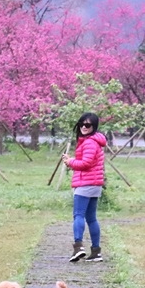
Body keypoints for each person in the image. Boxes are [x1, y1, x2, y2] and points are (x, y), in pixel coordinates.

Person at [61, 112, 107, 262]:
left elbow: (86, 163)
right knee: (91, 219)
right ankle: (95, 252)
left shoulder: (89, 142)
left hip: (85, 184)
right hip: (95, 184)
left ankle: (78, 247)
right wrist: (73, 160)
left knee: (78, 215)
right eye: (81, 124)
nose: (83, 127)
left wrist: (70, 162)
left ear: (94, 126)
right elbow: (90, 162)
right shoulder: (95, 141)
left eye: (87, 125)